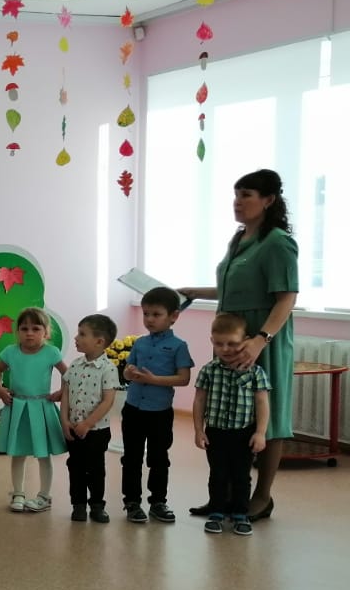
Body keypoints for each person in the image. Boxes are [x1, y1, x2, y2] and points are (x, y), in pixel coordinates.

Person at [180, 168, 298, 520]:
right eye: (236, 194)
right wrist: (193, 291)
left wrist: (261, 340)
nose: (237, 201)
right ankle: (227, 495)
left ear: (269, 200)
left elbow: (286, 298)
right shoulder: (239, 240)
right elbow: (233, 288)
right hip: (233, 337)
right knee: (228, 414)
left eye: (246, 195)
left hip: (264, 338)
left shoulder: (277, 242)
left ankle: (261, 496)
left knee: (266, 414)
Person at [193, 313, 272, 536]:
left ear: (245, 341)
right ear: (212, 341)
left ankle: (240, 514)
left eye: (232, 344)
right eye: (219, 344)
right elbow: (199, 400)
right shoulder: (208, 370)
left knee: (241, 475)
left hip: (243, 434)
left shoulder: (256, 372)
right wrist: (199, 430)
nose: (225, 349)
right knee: (217, 474)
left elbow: (262, 402)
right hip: (216, 433)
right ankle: (217, 512)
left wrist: (260, 432)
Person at [120, 287, 193, 524]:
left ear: (174, 316)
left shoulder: (179, 346)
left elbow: (183, 379)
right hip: (133, 409)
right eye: (146, 314)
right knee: (131, 457)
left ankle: (158, 502)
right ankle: (132, 502)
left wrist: (154, 380)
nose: (149, 319)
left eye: (156, 314)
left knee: (159, 458)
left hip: (159, 412)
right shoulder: (140, 343)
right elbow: (127, 371)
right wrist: (129, 373)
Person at [0, 307, 68, 514]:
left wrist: (61, 392)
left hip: (41, 408)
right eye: (24, 329)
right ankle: (18, 493)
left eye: (36, 328)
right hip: (18, 408)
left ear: (46, 332)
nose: (29, 333)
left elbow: (67, 373)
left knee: (44, 454)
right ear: (18, 331)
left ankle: (44, 495)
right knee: (18, 453)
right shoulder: (11, 352)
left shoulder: (51, 353)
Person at [60, 315, 122, 523]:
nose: (76, 338)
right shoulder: (74, 366)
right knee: (75, 467)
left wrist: (87, 424)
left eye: (82, 334)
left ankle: (97, 505)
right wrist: (64, 421)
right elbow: (65, 395)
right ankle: (78, 505)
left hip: (97, 431)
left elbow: (108, 401)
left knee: (95, 469)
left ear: (99, 341)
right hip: (73, 429)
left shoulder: (108, 369)